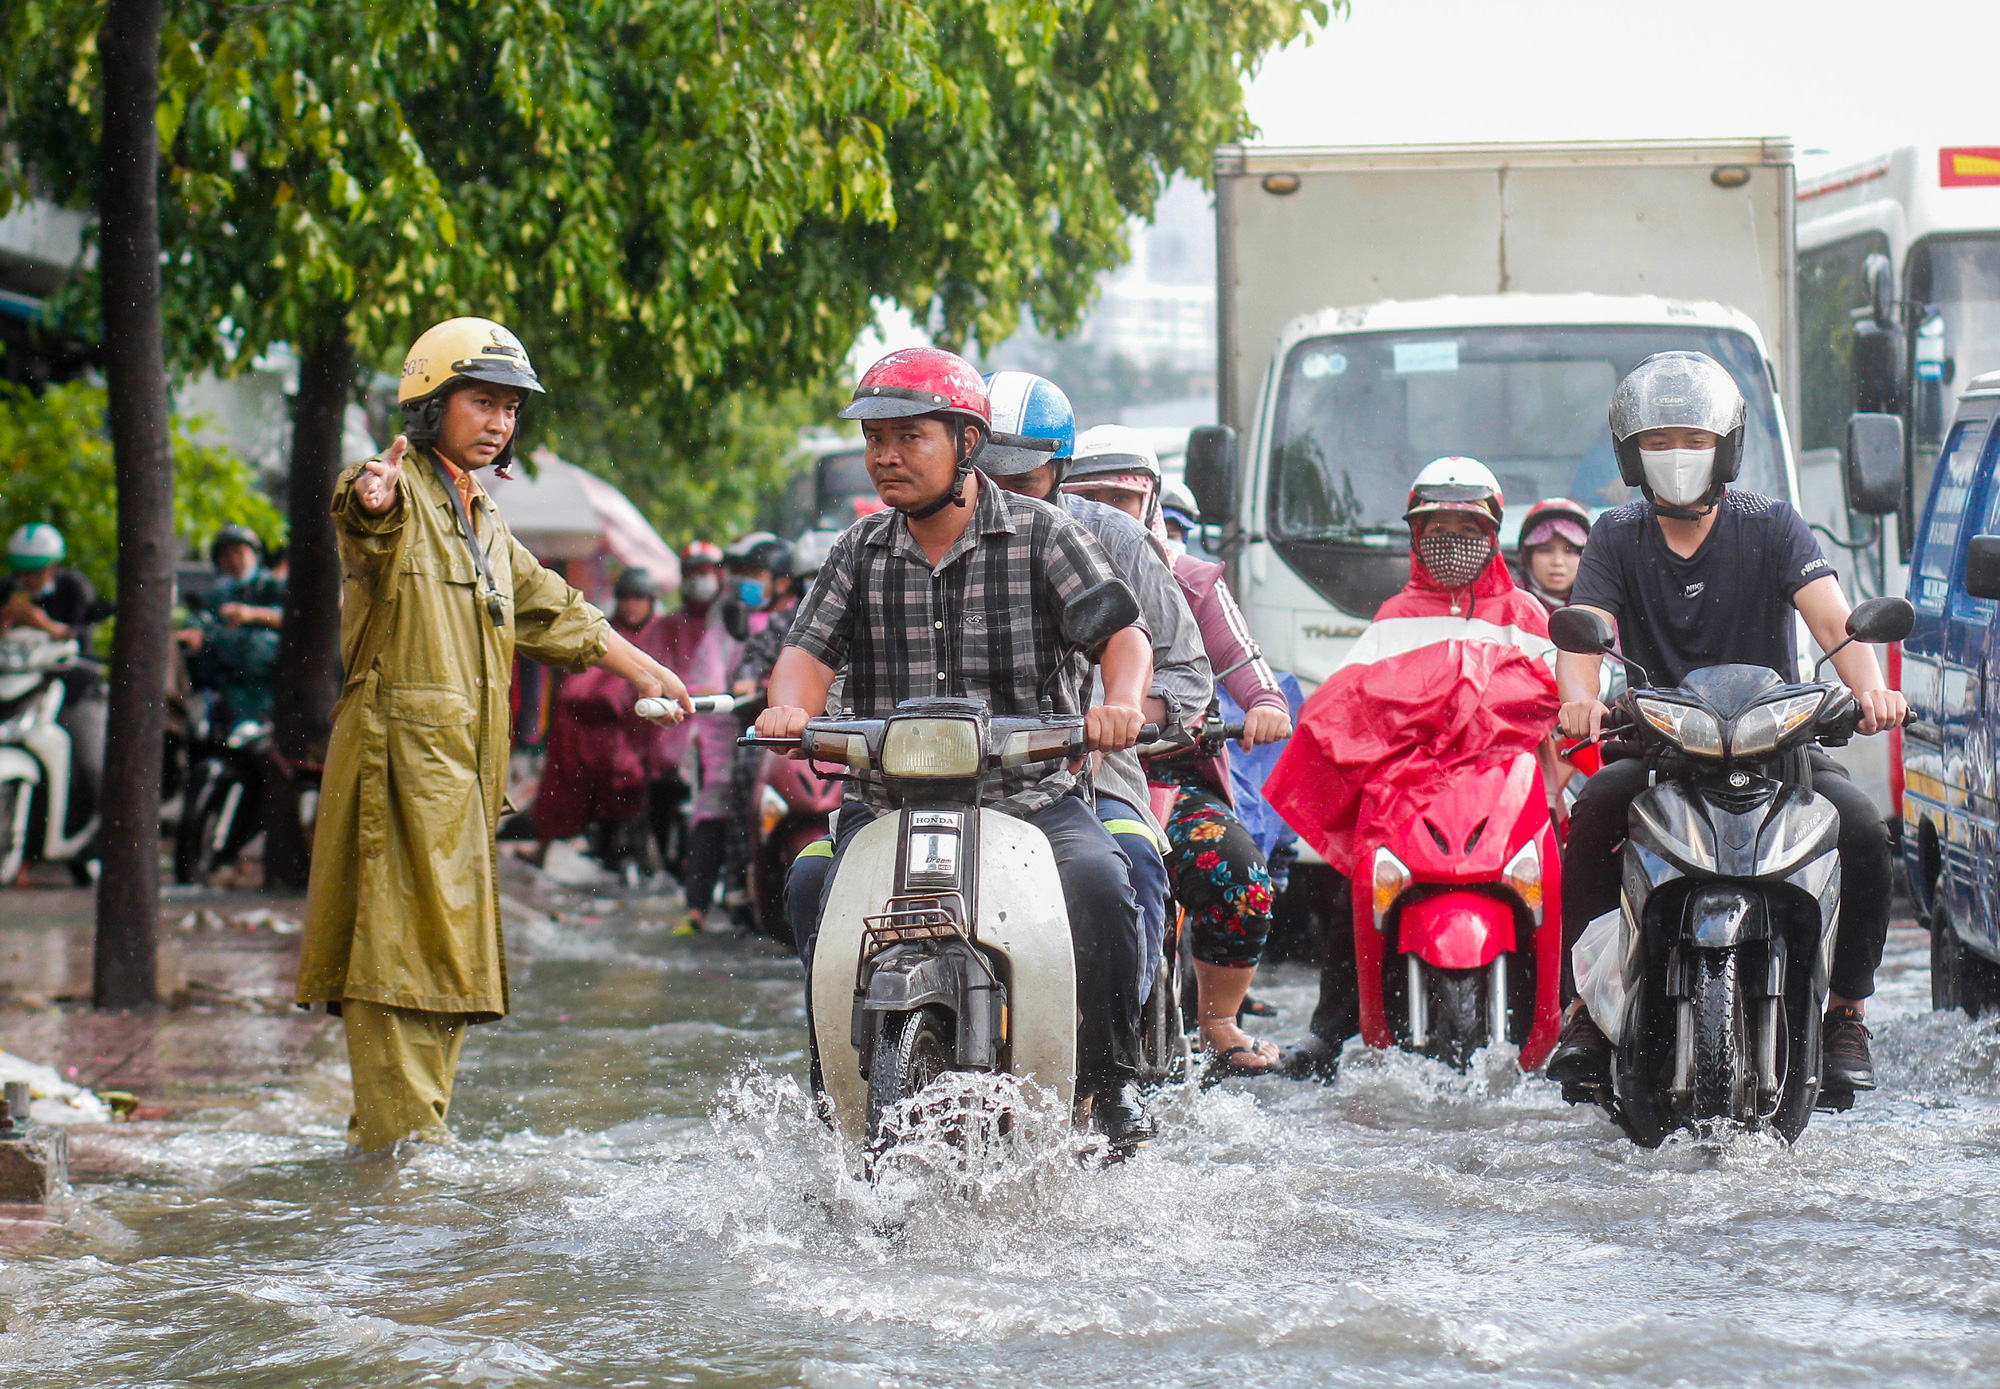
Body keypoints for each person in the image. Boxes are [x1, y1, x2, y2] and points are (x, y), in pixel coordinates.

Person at [294, 316, 693, 1153]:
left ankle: (391, 1176)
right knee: (394, 974)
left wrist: (644, 669)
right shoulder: (398, 490)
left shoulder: (484, 519)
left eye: (510, 408)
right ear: (430, 405)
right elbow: (364, 517)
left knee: (441, 984)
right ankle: (404, 1188)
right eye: (482, 402)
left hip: (461, 793)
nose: (500, 421)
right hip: (396, 785)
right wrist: (369, 501)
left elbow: (556, 609)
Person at [765, 346, 1159, 1152]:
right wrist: (788, 708)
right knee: (808, 884)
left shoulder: (1042, 535)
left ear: (967, 443)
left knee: (1102, 884)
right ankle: (831, 1084)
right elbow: (805, 657)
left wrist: (1120, 703)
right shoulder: (858, 550)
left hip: (1032, 800)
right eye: (876, 438)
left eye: (909, 436)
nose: (886, 455)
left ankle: (1112, 1084)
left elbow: (1124, 638)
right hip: (889, 805)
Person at [1544, 351, 1906, 1095]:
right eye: (1660, 441)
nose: (1678, 455)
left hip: (1778, 748)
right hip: (1662, 749)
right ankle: (1582, 1006)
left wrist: (1872, 691)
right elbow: (1583, 637)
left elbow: (1834, 622)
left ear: (1727, 447)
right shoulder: (1614, 534)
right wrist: (1579, 700)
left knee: (1866, 829)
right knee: (1593, 811)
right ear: (1632, 453)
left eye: (1694, 440)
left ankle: (1846, 1010)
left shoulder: (1773, 525)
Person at [1265, 457, 1561, 1080]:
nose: (1452, 540)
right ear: (1417, 536)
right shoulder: (1394, 619)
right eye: (1437, 528)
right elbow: (1349, 710)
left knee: (1568, 880)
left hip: (1503, 796)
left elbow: (1557, 712)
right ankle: (1330, 1027)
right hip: (1409, 796)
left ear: (1492, 534)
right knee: (1355, 887)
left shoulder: (1527, 617)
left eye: (1467, 527)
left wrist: (1560, 787)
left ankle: (1579, 1020)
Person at [976, 383, 1210, 1044]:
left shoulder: (1111, 538)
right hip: (949, 773)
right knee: (824, 876)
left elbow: (1187, 676)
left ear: (1060, 471)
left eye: (1022, 480)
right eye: (989, 477)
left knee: (1126, 867)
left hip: (1088, 771)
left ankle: (1115, 1058)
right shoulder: (924, 534)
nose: (1004, 497)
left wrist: (1118, 713)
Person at [1061, 432, 1295, 1075]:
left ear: (1151, 503)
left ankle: (1217, 1020)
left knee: (1239, 873)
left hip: (1170, 771)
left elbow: (1241, 667)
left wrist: (1264, 706)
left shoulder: (1192, 580)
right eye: (1091, 497)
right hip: (1060, 773)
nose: (1107, 512)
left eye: (1121, 500)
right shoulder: (1041, 566)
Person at [530, 567, 676, 879]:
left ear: (650, 602)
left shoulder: (659, 635)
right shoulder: (603, 634)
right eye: (627, 598)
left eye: (639, 599)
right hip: (584, 729)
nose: (632, 606)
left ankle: (630, 855)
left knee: (628, 784)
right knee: (563, 781)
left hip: (632, 733)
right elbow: (577, 689)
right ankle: (549, 845)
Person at [677, 531, 784, 935]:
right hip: (728, 731)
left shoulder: (795, 619)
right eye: (741, 573)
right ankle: (701, 907)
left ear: (781, 580)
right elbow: (710, 676)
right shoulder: (729, 619)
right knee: (719, 810)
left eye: (755, 574)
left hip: (783, 739)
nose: (746, 582)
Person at [177, 525, 286, 729]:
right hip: (224, 678)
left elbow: (295, 618)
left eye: (239, 553)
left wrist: (253, 614)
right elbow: (201, 619)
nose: (234, 560)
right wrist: (194, 633)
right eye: (226, 555)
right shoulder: (217, 592)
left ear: (255, 555)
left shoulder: (273, 585)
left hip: (263, 675)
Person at [4, 524, 108, 648]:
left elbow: (82, 636)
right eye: (21, 572)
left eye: (37, 572)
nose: (28, 579)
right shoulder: (7, 587)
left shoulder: (73, 587)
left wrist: (43, 624)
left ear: (53, 566)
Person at [1516, 497, 1591, 614]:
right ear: (1527, 557)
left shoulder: (1604, 609)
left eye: (1569, 551)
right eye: (1546, 550)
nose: (1557, 562)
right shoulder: (1510, 607)